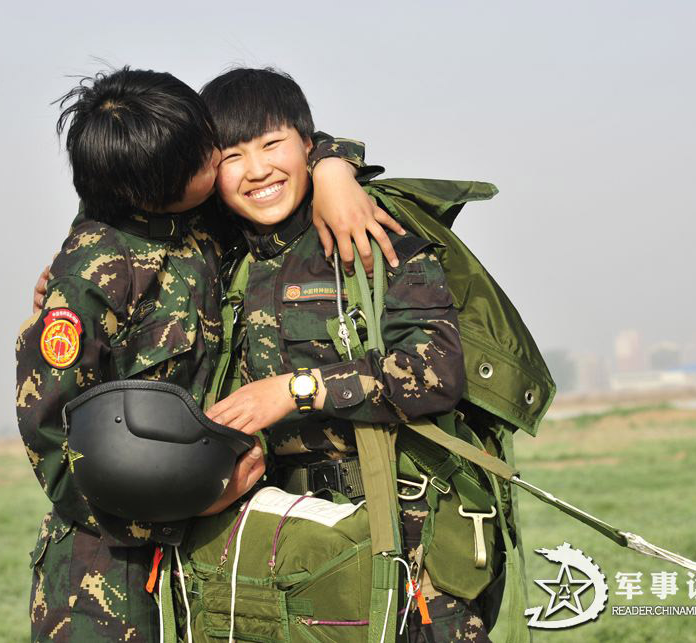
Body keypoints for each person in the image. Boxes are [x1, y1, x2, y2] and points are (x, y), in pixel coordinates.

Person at [17, 66, 402, 641]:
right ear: (156, 188)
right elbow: (49, 434)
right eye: (207, 158)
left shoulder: (197, 227)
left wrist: (335, 170)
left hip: (215, 553)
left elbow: (285, 142)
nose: (219, 160)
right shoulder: (96, 271)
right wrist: (175, 512)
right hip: (107, 569)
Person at [199, 68, 491, 642]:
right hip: (289, 541)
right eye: (232, 155)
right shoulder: (222, 257)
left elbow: (436, 371)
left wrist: (296, 389)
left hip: (405, 540)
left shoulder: (366, 232)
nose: (257, 169)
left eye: (272, 145)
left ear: (306, 145)